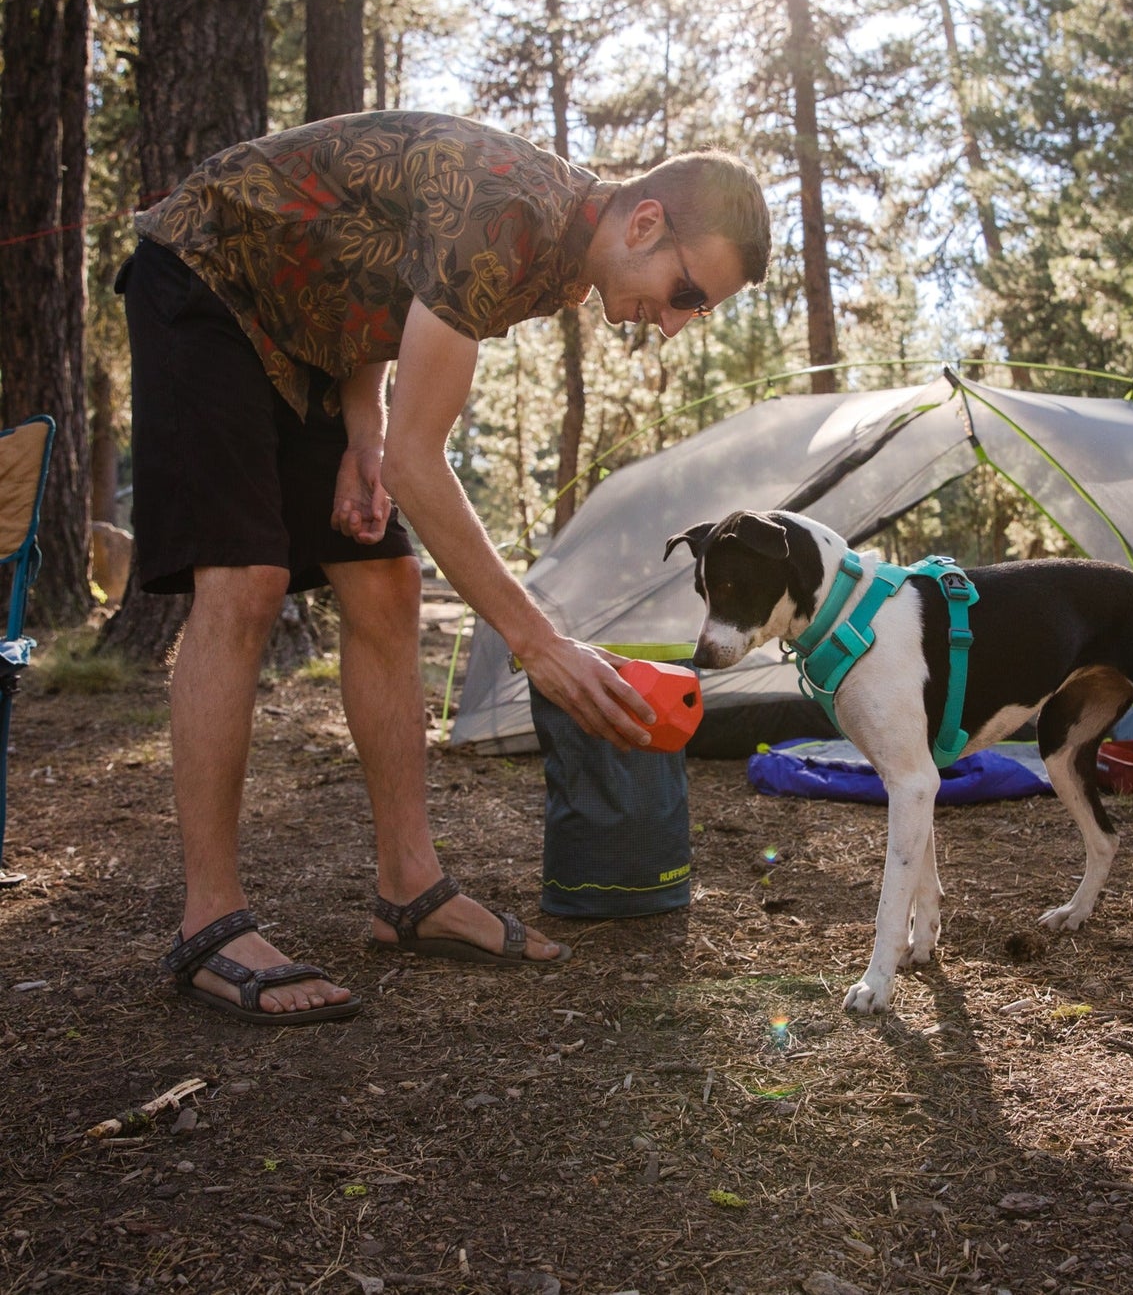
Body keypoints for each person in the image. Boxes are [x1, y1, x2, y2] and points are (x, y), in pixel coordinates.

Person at [119, 110, 772, 1025]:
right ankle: (208, 923)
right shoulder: (513, 215)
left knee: (383, 580)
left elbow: (374, 282)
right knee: (245, 582)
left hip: (307, 334)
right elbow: (427, 468)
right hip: (207, 276)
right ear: (646, 223)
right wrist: (538, 643)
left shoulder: (557, 257)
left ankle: (408, 889)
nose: (673, 326)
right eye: (686, 294)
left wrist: (364, 428)